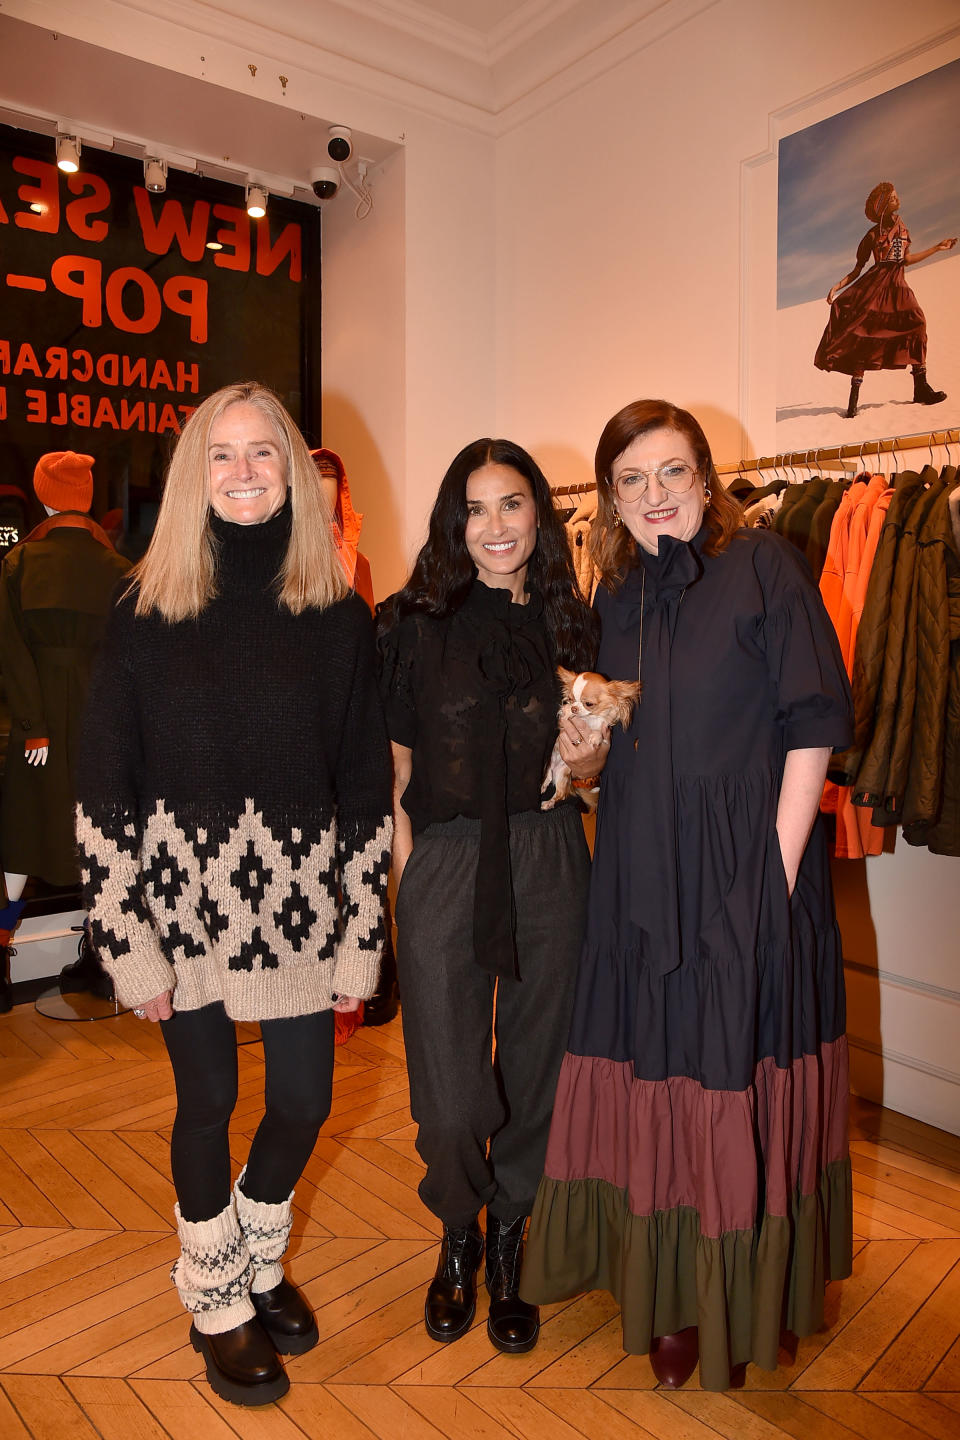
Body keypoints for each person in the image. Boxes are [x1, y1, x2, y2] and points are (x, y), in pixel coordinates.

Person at [521, 400, 854, 1391]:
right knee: (660, 1071)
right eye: (631, 479)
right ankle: (672, 1293)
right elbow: (592, 748)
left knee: (741, 1073)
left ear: (706, 480)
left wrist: (777, 872)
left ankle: (760, 1288)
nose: (654, 495)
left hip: (747, 873)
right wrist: (577, 755)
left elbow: (813, 720)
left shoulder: (765, 569)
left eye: (671, 472)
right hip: (637, 872)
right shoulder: (608, 599)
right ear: (611, 501)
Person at [75, 382, 392, 1407]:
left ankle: (255, 1256)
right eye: (223, 455)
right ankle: (214, 1297)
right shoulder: (143, 607)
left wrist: (360, 939)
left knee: (303, 1100)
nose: (246, 473)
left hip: (300, 904)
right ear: (191, 473)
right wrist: (129, 943)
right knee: (208, 1098)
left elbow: (361, 787)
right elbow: (104, 782)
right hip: (181, 905)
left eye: (265, 453)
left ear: (294, 469)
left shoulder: (335, 607)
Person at [377, 438, 601, 1354]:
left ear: (539, 516)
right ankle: (456, 1229)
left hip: (550, 855)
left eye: (512, 505)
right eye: (475, 508)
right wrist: (408, 880)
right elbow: (392, 768)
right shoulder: (410, 623)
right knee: (450, 1095)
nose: (495, 527)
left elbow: (592, 771)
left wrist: (589, 766)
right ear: (451, 521)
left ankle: (510, 1234)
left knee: (541, 1068)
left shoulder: (573, 622)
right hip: (446, 862)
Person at [0, 451, 130, 1009]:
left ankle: (1, 958)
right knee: (101, 843)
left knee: (20, 842)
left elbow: (9, 653)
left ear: (45, 494)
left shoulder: (20, 563)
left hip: (40, 727)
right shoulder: (120, 569)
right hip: (104, 725)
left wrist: (32, 725)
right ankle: (104, 960)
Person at [311, 446, 399, 1029]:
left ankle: (364, 985)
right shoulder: (279, 571)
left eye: (330, 497)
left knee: (360, 863)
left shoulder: (357, 565)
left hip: (354, 733)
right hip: (300, 740)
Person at [815, 181, 957, 418]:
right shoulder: (872, 235)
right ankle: (853, 401)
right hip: (874, 287)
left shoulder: (902, 228)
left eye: (895, 195)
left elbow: (906, 260)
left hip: (898, 286)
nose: (897, 199)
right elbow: (858, 268)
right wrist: (837, 287)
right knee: (865, 336)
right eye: (892, 197)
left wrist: (936, 248)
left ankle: (920, 387)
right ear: (883, 205)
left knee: (918, 324)